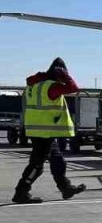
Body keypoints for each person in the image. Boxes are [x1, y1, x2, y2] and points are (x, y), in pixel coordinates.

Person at [12, 57, 87, 204]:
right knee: (37, 165)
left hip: (37, 128)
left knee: (57, 159)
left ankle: (65, 188)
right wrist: (66, 77)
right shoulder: (50, 86)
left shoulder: (35, 84)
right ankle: (21, 192)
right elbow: (73, 88)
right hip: (44, 131)